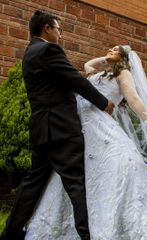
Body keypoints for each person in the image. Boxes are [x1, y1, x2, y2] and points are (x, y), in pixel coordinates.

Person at [24, 45, 147, 239]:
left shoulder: (123, 74)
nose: (110, 49)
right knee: (76, 178)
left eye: (115, 49)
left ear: (124, 58)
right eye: (110, 48)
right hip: (79, 129)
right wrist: (107, 59)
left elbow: (133, 99)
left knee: (109, 175)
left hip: (102, 129)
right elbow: (88, 64)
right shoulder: (100, 73)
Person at [0, 11, 115, 240]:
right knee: (76, 184)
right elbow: (74, 79)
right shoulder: (48, 50)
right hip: (61, 129)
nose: (60, 34)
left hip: (42, 130)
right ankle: (87, 236)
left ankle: (10, 235)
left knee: (32, 185)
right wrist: (104, 103)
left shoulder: (29, 53)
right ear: (47, 29)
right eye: (58, 29)